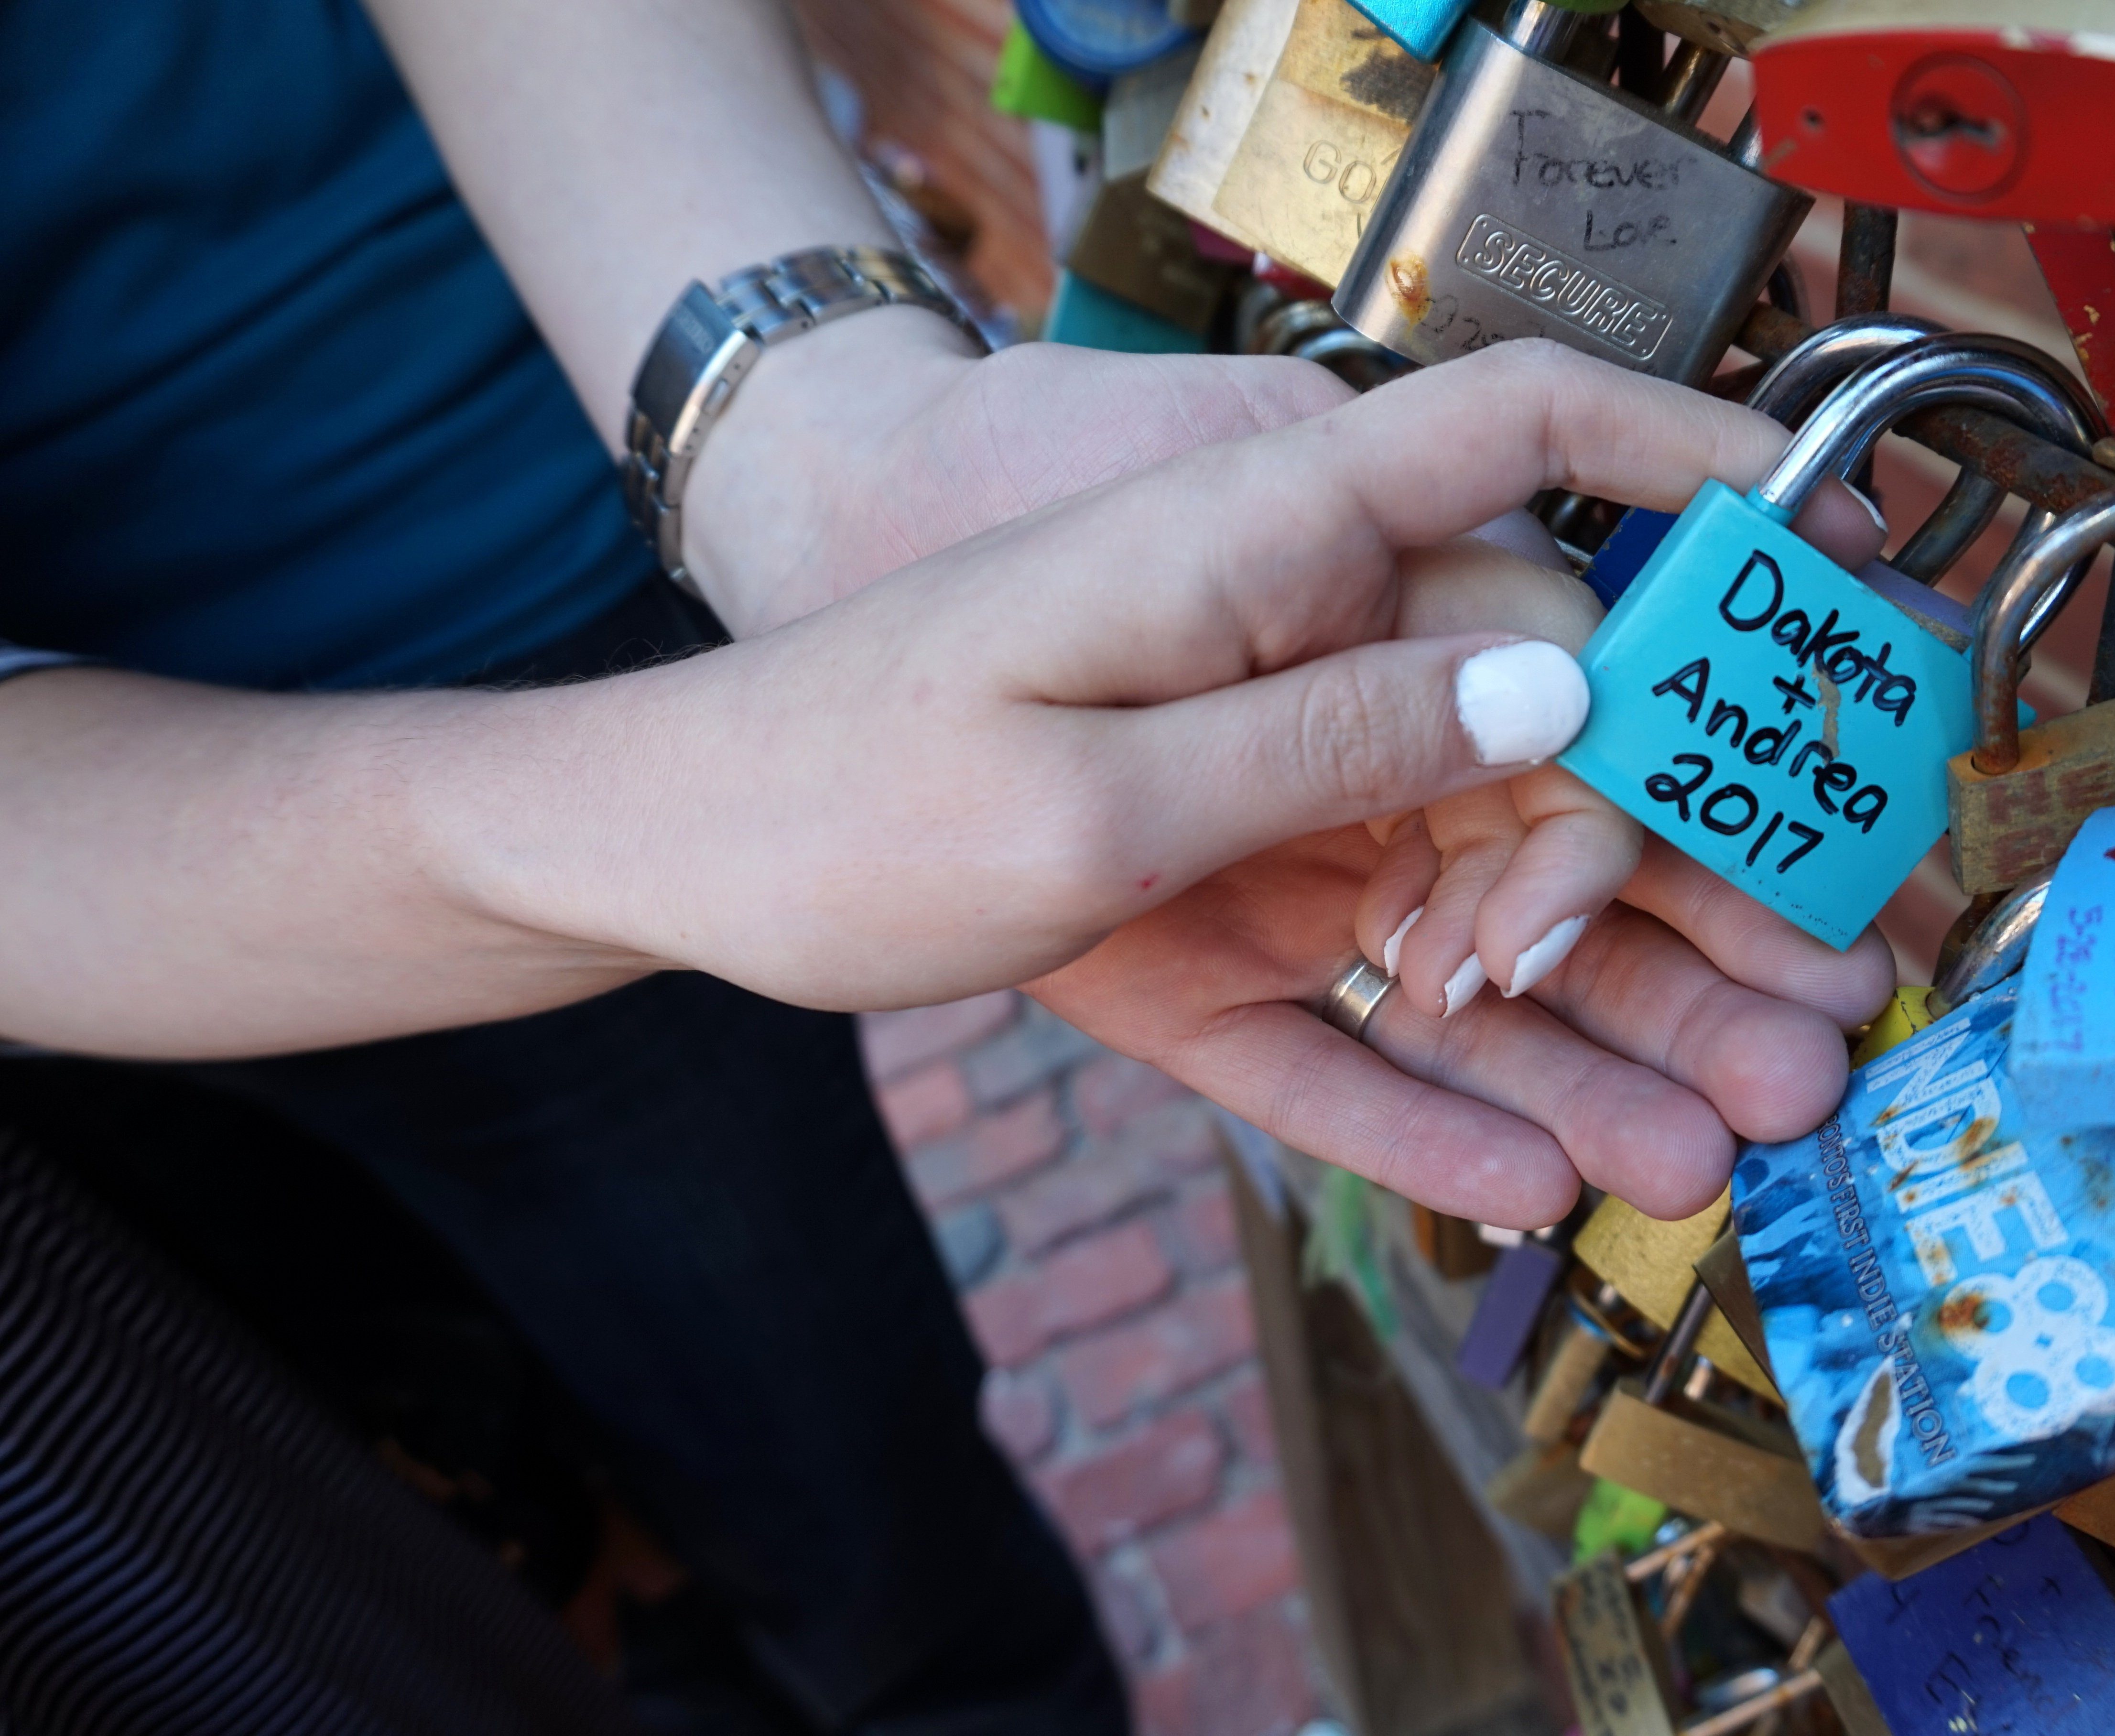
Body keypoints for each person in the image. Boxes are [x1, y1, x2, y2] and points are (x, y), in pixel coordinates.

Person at [0, 0, 1895, 1725]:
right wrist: (664, 803)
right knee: (377, 1535)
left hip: (543, 474)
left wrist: (831, 464)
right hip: (76, 1058)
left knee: (850, 1520)